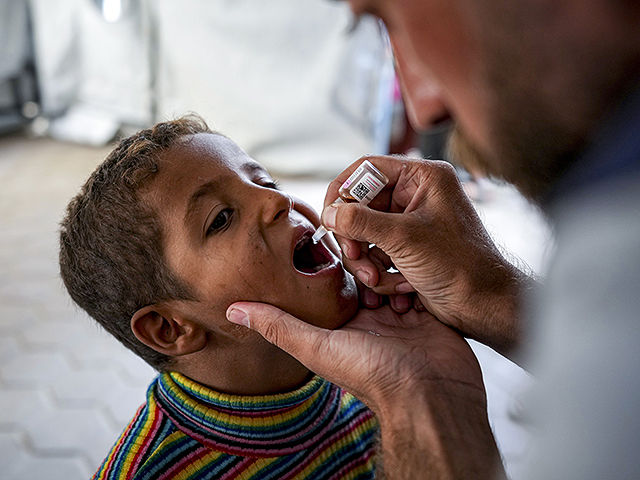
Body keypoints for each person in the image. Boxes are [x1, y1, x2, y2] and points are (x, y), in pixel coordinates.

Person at [225, 1, 640, 479]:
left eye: (392, 19)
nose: (425, 110)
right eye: (219, 219)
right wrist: (489, 295)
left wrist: (416, 398)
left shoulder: (617, 269)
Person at [58, 116, 384, 480]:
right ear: (170, 328)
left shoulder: (374, 365)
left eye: (264, 182)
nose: (277, 200)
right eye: (222, 219)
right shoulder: (155, 471)